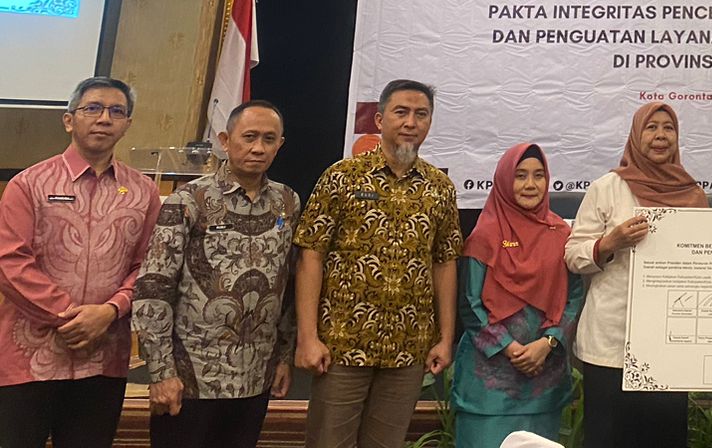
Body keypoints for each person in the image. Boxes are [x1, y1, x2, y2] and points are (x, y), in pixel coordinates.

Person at [294, 79, 462, 448]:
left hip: (409, 348)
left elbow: (445, 261)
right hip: (342, 344)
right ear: (380, 119)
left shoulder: (439, 187)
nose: (411, 122)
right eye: (401, 112)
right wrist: (307, 337)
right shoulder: (342, 176)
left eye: (421, 114)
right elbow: (311, 255)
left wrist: (446, 338)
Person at [0, 77, 160, 448]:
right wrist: (71, 316)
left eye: (116, 111)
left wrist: (109, 311)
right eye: (93, 108)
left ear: (127, 124)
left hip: (103, 358)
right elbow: (10, 262)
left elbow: (149, 265)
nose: (104, 118)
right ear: (69, 120)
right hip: (30, 358)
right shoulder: (29, 184)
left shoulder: (144, 192)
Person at [130, 100, 299, 447]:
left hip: (256, 378)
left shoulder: (287, 202)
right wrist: (160, 372)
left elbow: (288, 286)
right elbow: (153, 288)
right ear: (225, 140)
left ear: (280, 144)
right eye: (249, 137)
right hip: (191, 377)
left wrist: (284, 358)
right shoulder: (188, 200)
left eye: (269, 139)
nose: (258, 148)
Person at [565, 101, 708, 448]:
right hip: (611, 340)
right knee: (608, 437)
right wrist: (609, 243)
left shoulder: (692, 194)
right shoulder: (607, 188)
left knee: (664, 437)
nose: (660, 135)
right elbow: (572, 255)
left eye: (668, 128)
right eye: (651, 127)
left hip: (670, 339)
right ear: (635, 135)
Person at [453, 142, 585, 448]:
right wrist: (510, 348)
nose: (530, 184)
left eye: (538, 175)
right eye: (520, 175)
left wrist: (547, 343)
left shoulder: (561, 234)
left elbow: (573, 296)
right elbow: (470, 305)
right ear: (504, 181)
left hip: (543, 383)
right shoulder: (484, 236)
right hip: (489, 389)